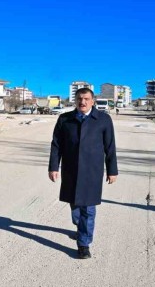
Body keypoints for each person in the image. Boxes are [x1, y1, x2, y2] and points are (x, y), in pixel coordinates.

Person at [48, 87, 118, 259]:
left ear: (93, 101)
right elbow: (56, 145)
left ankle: (84, 244)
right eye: (79, 98)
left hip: (92, 171)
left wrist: (112, 170)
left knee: (88, 208)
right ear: (75, 100)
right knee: (75, 207)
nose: (83, 102)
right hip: (71, 169)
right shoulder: (65, 119)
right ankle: (81, 227)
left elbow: (110, 147)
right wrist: (53, 167)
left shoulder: (103, 120)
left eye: (86, 99)